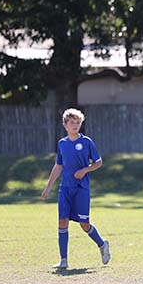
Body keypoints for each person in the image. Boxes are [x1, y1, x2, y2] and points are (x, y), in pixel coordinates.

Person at [41, 108, 110, 269]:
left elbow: (98, 162)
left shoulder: (86, 142)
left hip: (81, 189)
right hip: (65, 189)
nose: (75, 126)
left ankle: (102, 244)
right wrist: (48, 187)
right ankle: (63, 260)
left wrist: (85, 170)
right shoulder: (62, 144)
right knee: (62, 221)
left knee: (84, 224)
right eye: (72, 123)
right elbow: (58, 165)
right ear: (65, 125)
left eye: (78, 123)